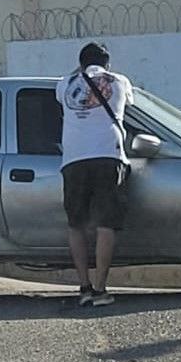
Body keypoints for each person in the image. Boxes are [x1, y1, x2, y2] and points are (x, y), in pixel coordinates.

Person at [55, 42, 133, 307]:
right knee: (105, 224)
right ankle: (101, 288)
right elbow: (128, 107)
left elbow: (64, 93)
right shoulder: (119, 81)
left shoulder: (65, 84)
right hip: (108, 156)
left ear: (80, 63)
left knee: (76, 224)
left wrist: (79, 71)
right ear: (108, 63)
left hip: (74, 160)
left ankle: (84, 286)